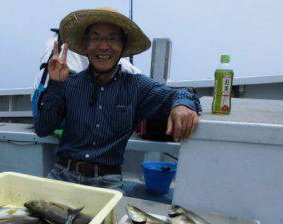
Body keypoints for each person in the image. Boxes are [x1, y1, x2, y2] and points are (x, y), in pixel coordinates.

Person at [33, 8, 201, 191]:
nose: (103, 46)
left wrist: (182, 105)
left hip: (108, 181)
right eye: (96, 38)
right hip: (62, 174)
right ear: (85, 44)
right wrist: (56, 85)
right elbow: (43, 128)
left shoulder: (136, 86)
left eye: (112, 38)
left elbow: (180, 94)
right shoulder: (69, 84)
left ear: (123, 46)